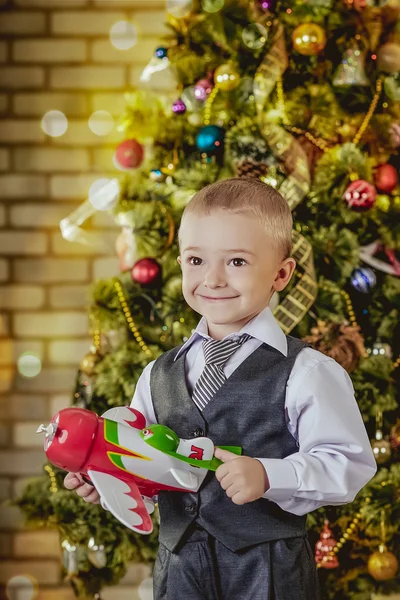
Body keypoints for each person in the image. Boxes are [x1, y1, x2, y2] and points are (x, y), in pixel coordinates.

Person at [65, 178, 377, 600]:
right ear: (179, 262)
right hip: (180, 572)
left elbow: (349, 463)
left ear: (281, 274)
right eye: (196, 260)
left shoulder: (307, 372)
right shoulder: (157, 374)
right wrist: (110, 477)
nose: (211, 279)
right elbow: (148, 467)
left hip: (267, 572)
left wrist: (271, 475)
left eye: (236, 262)